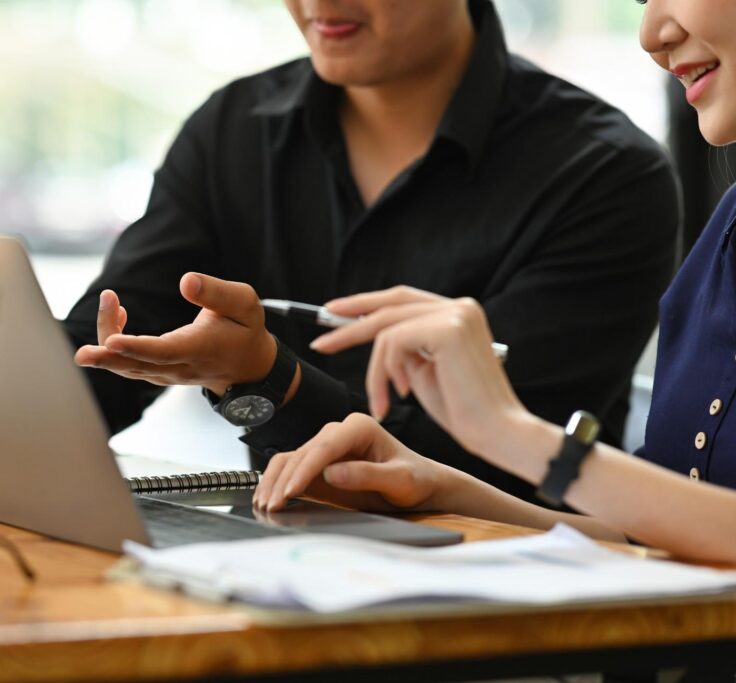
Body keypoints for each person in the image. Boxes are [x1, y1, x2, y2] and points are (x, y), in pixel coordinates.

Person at [0, 0, 680, 504]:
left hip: (505, 619)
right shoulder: (232, 134)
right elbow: (92, 378)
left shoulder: (604, 177)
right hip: (271, 588)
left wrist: (268, 378)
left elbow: (471, 474)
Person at [252, 0, 736, 565]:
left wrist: (512, 433)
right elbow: (664, 539)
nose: (652, 35)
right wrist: (437, 489)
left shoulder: (604, 170)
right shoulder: (724, 232)